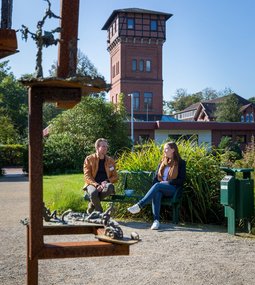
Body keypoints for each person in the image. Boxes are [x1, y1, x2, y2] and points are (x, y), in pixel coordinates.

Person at [127, 141, 186, 230]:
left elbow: (181, 180)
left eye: (166, 149)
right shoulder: (162, 162)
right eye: (164, 149)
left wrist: (167, 183)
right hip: (161, 188)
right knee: (157, 192)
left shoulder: (181, 163)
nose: (164, 151)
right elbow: (155, 179)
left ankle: (139, 205)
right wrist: (158, 185)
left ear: (173, 150)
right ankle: (156, 221)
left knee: (158, 186)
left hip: (173, 189)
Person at [83, 138, 118, 214]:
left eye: (106, 146)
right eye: (103, 146)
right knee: (93, 193)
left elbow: (115, 176)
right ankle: (100, 212)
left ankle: (92, 204)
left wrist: (107, 181)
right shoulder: (89, 159)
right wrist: (96, 185)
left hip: (105, 184)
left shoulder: (110, 160)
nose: (105, 148)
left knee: (110, 187)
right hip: (92, 183)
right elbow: (87, 176)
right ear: (97, 147)